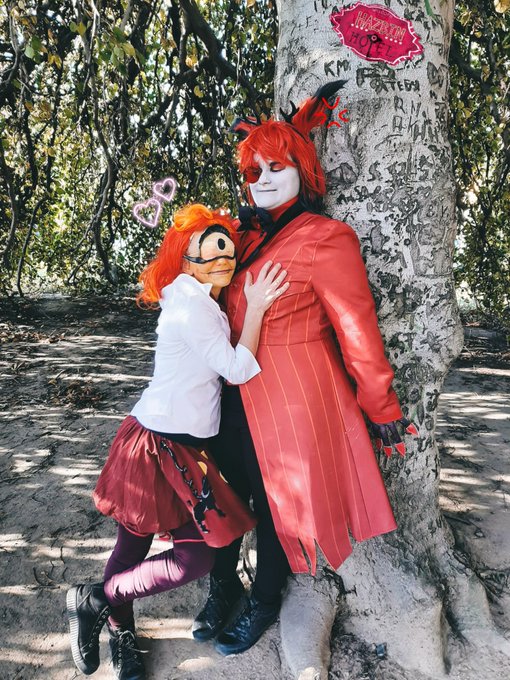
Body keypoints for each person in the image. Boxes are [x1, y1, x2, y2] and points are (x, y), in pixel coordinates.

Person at [192, 82, 418, 656]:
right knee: (222, 493)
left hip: (290, 400)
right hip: (227, 391)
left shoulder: (328, 239)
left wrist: (382, 408)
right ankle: (222, 586)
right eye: (254, 171)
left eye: (277, 166)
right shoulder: (237, 237)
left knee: (275, 504)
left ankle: (266, 599)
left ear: (304, 169)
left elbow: (358, 332)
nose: (263, 179)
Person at [66, 203, 289, 679]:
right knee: (137, 548)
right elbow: (236, 368)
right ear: (186, 259)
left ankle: (98, 599)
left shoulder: (196, 299)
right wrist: (257, 307)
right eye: (211, 251)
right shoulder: (192, 306)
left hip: (183, 449)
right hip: (154, 446)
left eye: (228, 251)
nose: (223, 260)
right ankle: (121, 631)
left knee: (194, 556)